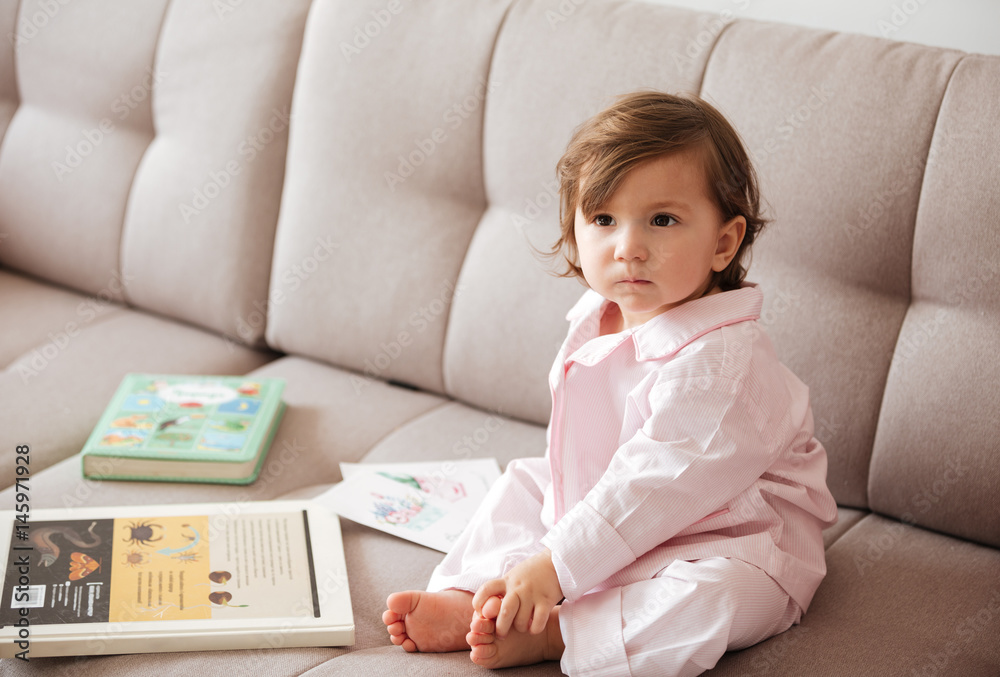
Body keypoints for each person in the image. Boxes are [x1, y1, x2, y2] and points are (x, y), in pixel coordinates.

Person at [383, 90, 838, 676]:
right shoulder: (597, 313)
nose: (629, 248)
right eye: (603, 219)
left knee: (716, 598)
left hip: (731, 530)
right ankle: (476, 592)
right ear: (575, 230)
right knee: (523, 483)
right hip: (612, 500)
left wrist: (555, 565)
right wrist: (557, 540)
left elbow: (659, 482)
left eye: (663, 220)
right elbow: (588, 447)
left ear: (723, 242)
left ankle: (564, 633)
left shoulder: (723, 364)